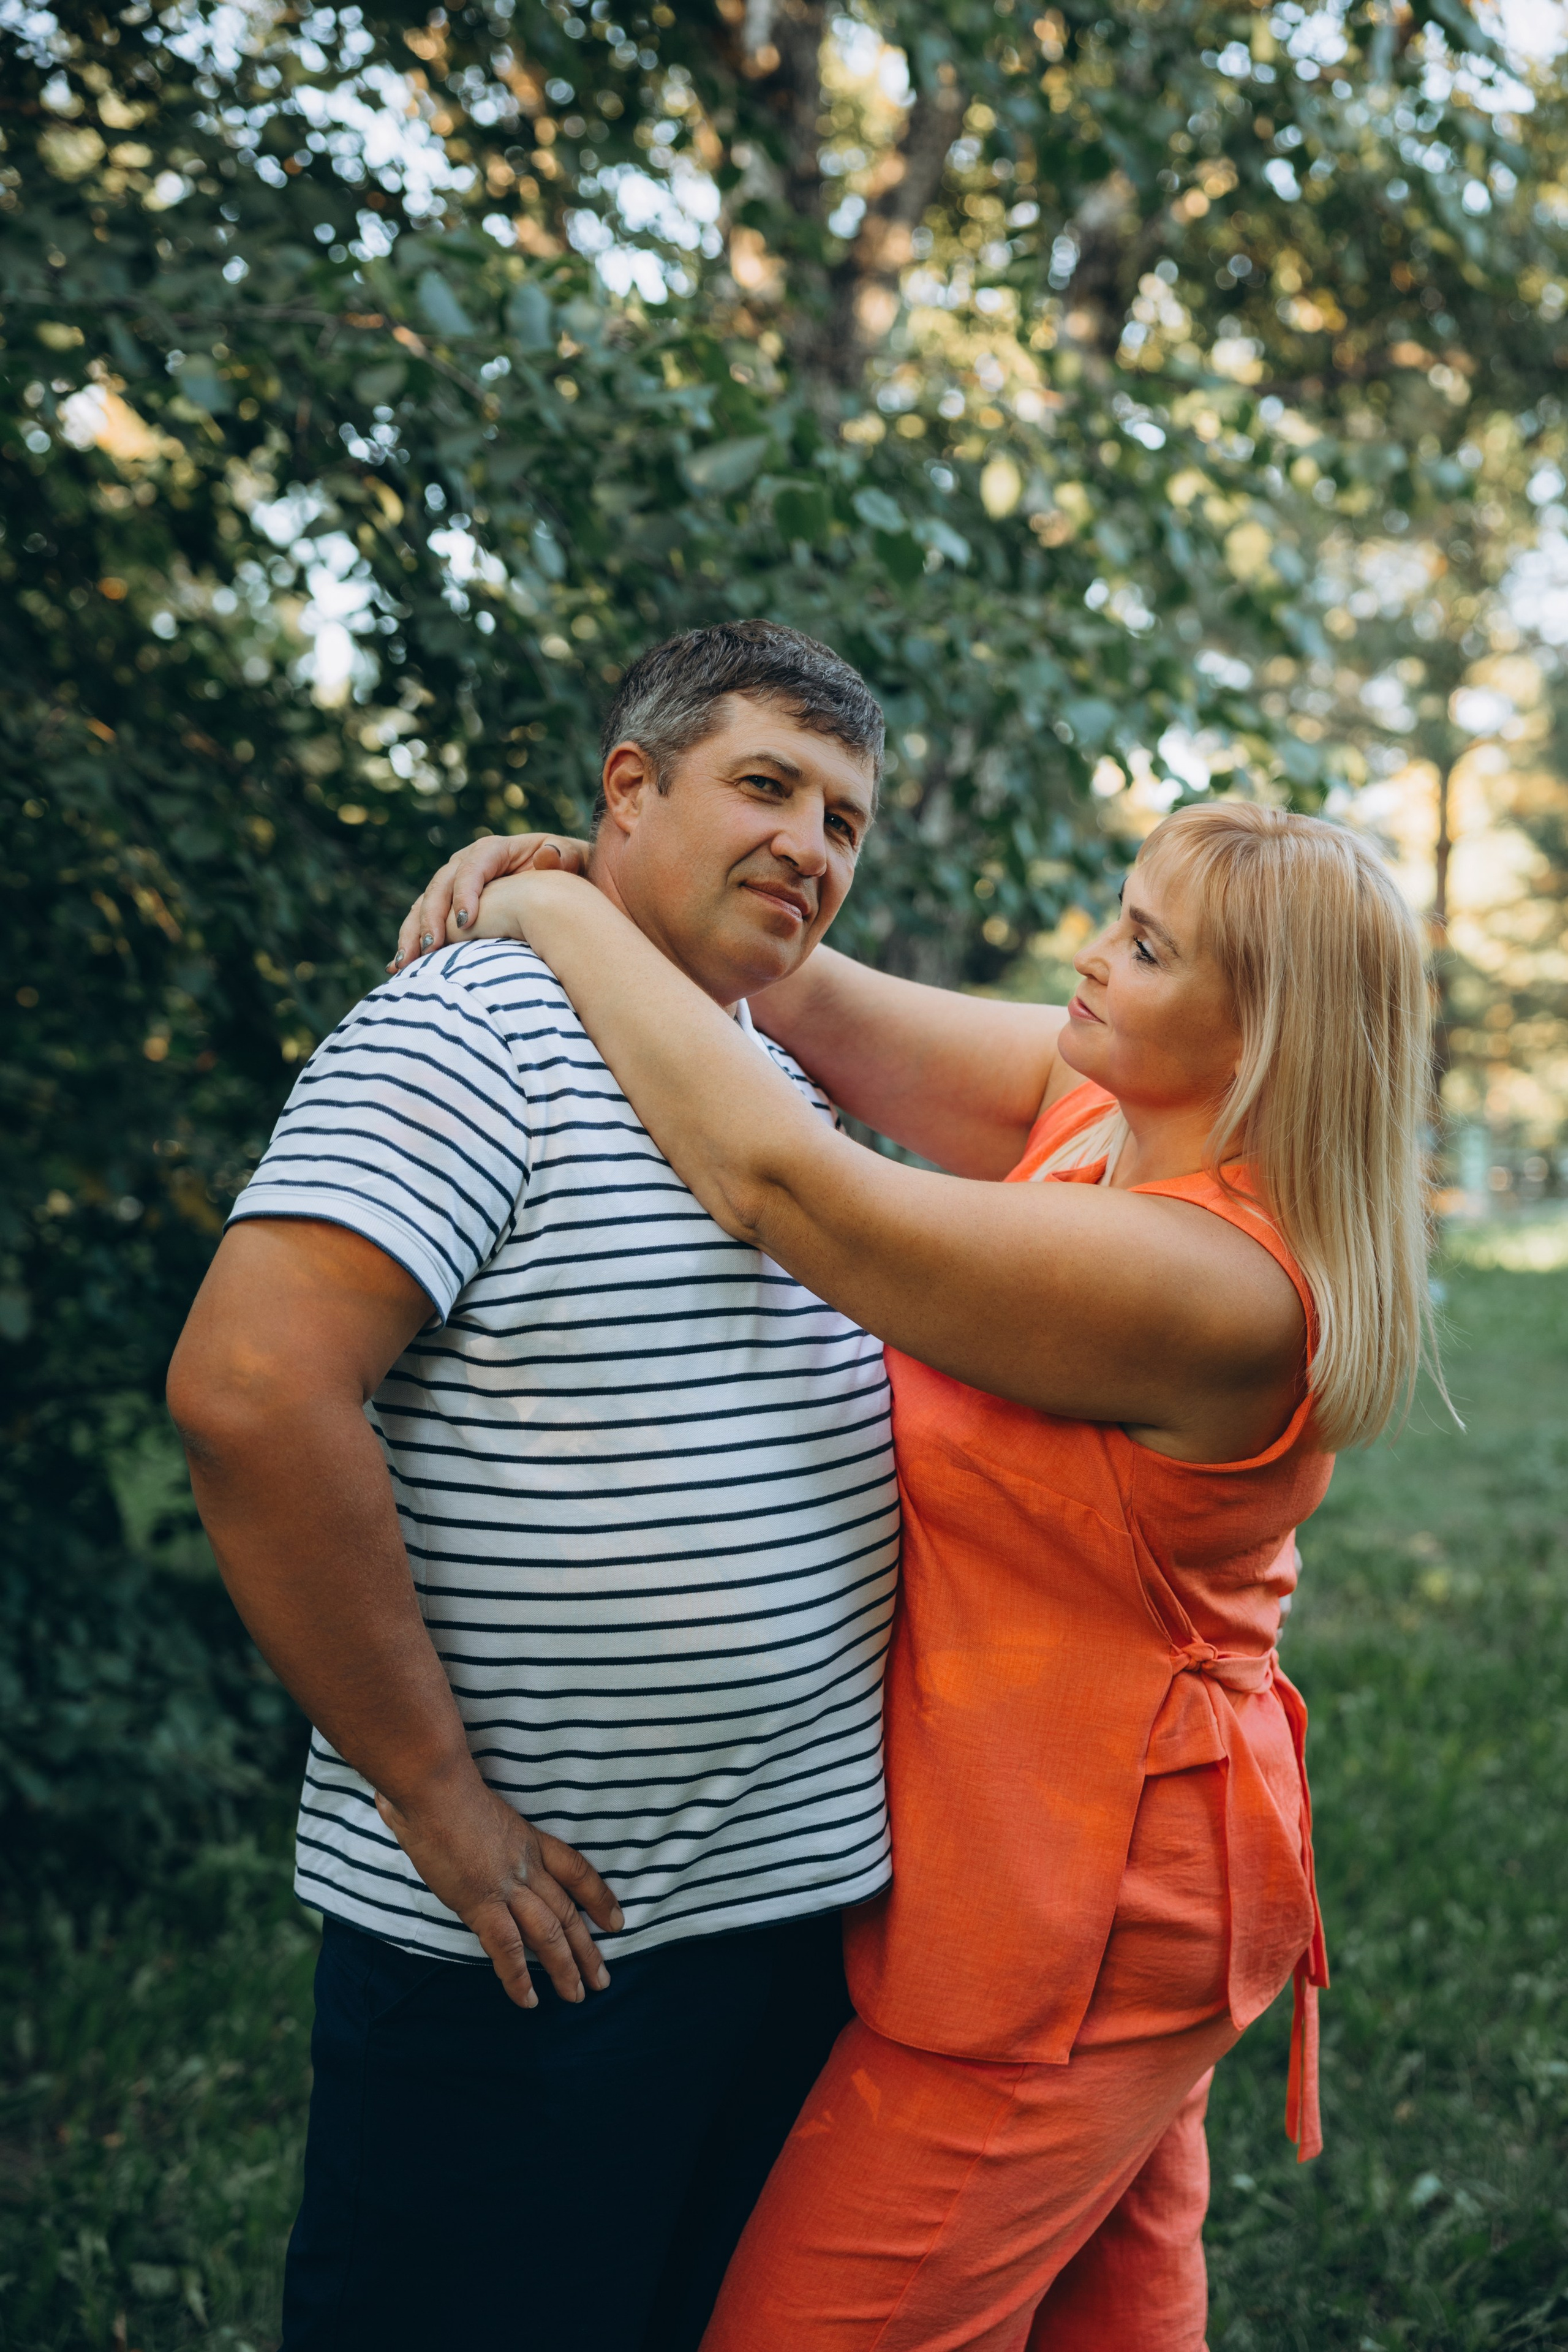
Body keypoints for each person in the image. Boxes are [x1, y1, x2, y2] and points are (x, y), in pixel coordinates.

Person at [398, 797, 1441, 2348]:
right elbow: (805, 1001)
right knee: (1108, 2307)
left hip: (1081, 1905)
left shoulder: (1215, 1284)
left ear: (1259, 1039)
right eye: (1118, 909)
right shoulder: (1105, 1106)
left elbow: (786, 1186)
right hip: (1081, 1840)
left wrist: (557, 921)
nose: (1092, 958)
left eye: (1146, 948)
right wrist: (613, 874)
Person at [164, 622, 905, 2351]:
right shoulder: (479, 1025)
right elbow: (254, 1392)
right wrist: (437, 1800)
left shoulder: (768, 1079)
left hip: (777, 1936)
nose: (814, 844)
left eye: (849, 822)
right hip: (535, 1951)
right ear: (625, 795)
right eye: (768, 785)